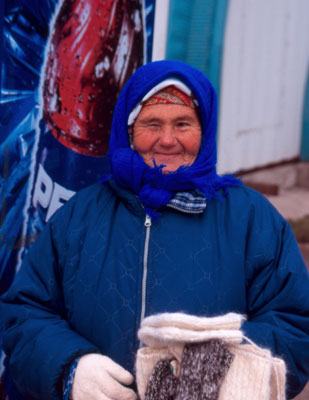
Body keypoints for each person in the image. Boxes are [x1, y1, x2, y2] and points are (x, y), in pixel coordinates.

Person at [1, 60, 309, 400]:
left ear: (204, 132)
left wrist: (230, 371)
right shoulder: (78, 217)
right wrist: (71, 368)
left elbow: (295, 322)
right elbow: (24, 312)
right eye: (151, 124)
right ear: (129, 132)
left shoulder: (252, 219)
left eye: (183, 124)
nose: (167, 139)